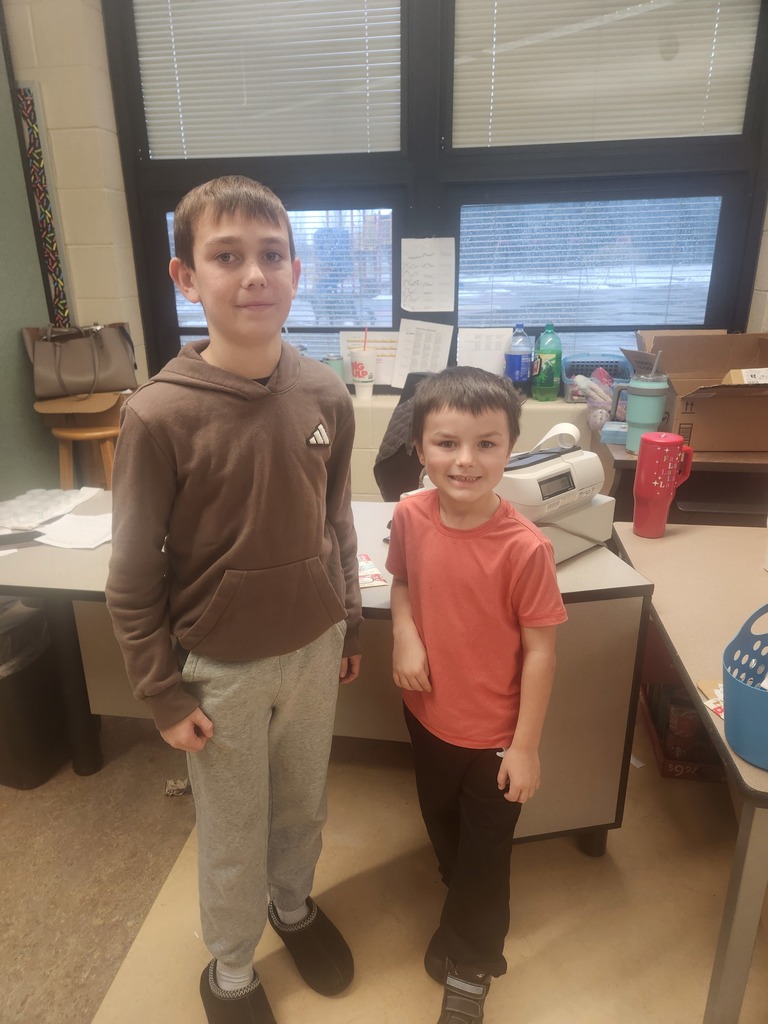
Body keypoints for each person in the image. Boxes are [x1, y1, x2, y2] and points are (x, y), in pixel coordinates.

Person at [106, 176, 362, 1024]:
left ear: (297, 272)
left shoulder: (325, 393)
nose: (253, 274)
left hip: (314, 650)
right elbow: (134, 573)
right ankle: (228, 968)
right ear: (187, 279)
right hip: (221, 669)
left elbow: (336, 521)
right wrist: (161, 692)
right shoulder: (157, 415)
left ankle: (292, 906)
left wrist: (348, 617)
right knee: (231, 829)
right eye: (227, 256)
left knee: (302, 805)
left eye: (270, 255)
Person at [385, 366, 567, 1024]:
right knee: (442, 829)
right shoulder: (409, 513)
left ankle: (470, 965)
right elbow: (401, 582)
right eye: (447, 443)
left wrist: (526, 747)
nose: (465, 461)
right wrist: (404, 633)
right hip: (427, 718)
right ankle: (460, 900)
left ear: (511, 447)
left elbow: (542, 650)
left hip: (494, 737)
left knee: (486, 860)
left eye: (486, 444)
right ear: (420, 449)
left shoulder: (526, 550)